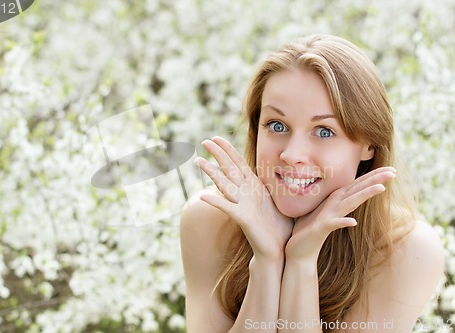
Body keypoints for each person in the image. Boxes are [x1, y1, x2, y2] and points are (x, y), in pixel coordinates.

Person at [180, 34, 444, 333]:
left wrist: (301, 262)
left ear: (369, 144)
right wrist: (267, 262)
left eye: (324, 131)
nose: (292, 155)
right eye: (276, 126)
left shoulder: (407, 250)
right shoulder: (209, 218)